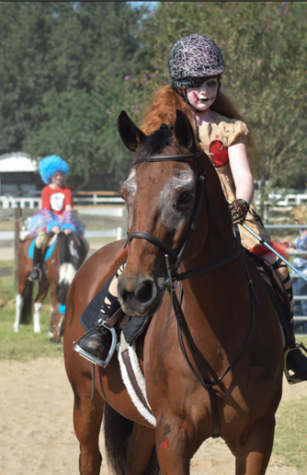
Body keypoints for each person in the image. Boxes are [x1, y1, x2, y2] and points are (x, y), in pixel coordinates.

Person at [76, 33, 307, 381]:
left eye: (211, 83)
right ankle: (105, 328)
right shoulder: (163, 131)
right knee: (135, 267)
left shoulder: (230, 129)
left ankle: (289, 347)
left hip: (229, 215)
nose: (204, 91)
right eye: (196, 85)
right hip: (178, 215)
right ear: (180, 87)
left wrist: (242, 203)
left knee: (276, 266)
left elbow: (243, 175)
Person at [27, 155, 84, 282]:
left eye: (60, 175)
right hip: (48, 219)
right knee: (40, 241)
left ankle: (80, 268)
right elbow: (46, 210)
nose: (59, 177)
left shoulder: (67, 190)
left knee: (82, 242)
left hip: (65, 220)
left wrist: (68, 224)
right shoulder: (46, 190)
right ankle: (36, 268)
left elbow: (68, 208)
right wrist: (52, 225)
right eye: (56, 175)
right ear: (50, 176)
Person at [285, 204, 307, 334]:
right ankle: (297, 330)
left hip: (304, 272)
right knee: (296, 301)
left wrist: (295, 251)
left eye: (298, 220)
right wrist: (292, 244)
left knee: (304, 302)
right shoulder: (301, 232)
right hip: (297, 270)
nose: (296, 222)